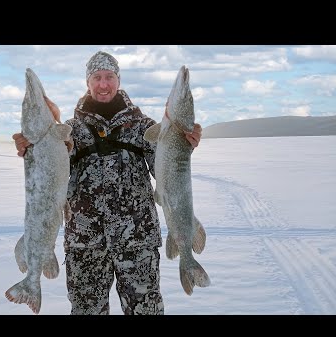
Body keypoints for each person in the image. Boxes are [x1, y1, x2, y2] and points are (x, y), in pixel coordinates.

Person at [12, 51, 203, 315]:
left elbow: (166, 172)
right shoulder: (70, 131)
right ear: (88, 82)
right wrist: (30, 147)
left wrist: (184, 145)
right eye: (97, 77)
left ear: (118, 80)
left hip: (137, 242)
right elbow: (50, 169)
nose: (104, 84)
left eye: (109, 77)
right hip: (84, 243)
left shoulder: (142, 127)